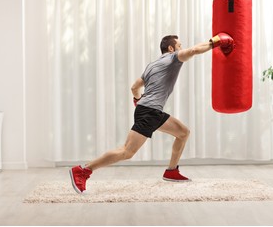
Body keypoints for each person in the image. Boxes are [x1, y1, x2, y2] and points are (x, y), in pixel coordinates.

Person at [69, 33, 234, 194]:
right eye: (179, 46)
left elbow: (134, 87)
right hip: (149, 112)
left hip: (152, 111)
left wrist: (138, 100)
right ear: (171, 48)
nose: (181, 49)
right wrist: (216, 42)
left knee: (183, 133)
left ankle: (171, 171)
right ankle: (83, 170)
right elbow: (193, 51)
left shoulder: (151, 66)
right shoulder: (172, 58)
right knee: (126, 152)